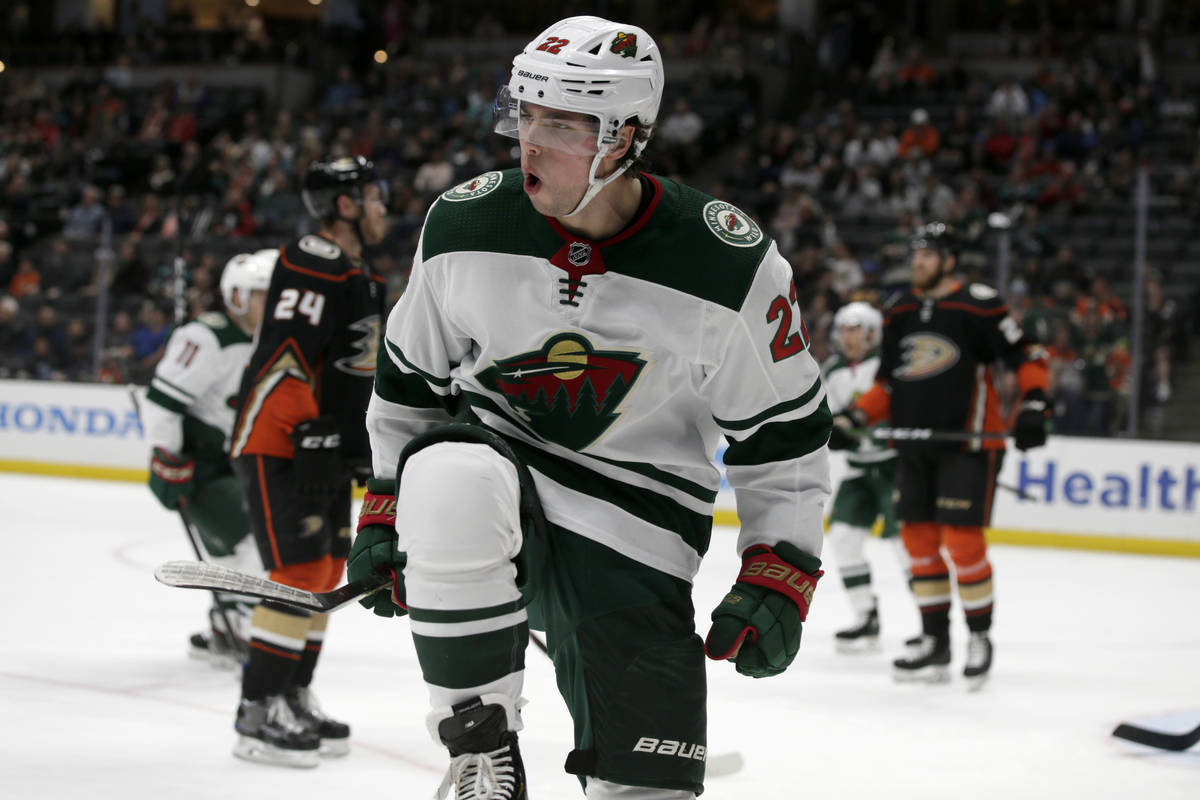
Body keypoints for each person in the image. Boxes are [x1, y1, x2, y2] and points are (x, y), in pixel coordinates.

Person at [349, 16, 832, 800]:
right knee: (447, 470)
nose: (530, 142)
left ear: (625, 138)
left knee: (649, 789)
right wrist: (383, 506)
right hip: (496, 483)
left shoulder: (728, 266)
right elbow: (408, 383)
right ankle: (480, 750)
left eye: (562, 125)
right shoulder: (465, 223)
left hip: (637, 526)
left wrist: (782, 568)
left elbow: (784, 436)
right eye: (524, 114)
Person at [831, 222, 1050, 689]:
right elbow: (889, 383)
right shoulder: (901, 308)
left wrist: (1034, 404)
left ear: (950, 259)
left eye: (928, 255)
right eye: (915, 255)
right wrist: (854, 419)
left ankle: (978, 637)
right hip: (913, 446)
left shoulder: (979, 302)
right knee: (919, 545)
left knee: (963, 544)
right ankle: (935, 642)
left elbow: (1027, 355)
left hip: (967, 444)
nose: (918, 263)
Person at [229, 155, 388, 767]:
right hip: (282, 437)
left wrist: (352, 444)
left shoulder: (354, 271)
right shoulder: (313, 257)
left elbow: (347, 372)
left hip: (320, 443)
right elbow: (287, 352)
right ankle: (255, 712)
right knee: (297, 573)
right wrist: (305, 431)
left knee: (325, 575)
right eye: (371, 197)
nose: (381, 207)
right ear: (344, 206)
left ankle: (291, 694)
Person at [141, 249, 276, 667]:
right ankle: (239, 621)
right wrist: (167, 458)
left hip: (235, 462)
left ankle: (227, 622)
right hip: (200, 466)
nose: (271, 304)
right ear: (236, 297)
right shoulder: (207, 337)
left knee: (236, 547)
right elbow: (164, 403)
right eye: (261, 295)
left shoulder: (266, 340)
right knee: (254, 536)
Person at [820, 301, 908, 652]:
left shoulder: (887, 366)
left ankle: (932, 625)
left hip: (895, 466)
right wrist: (834, 431)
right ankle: (865, 616)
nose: (848, 337)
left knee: (906, 546)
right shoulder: (833, 370)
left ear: (873, 333)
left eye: (856, 330)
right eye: (844, 329)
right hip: (859, 468)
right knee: (842, 538)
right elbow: (828, 415)